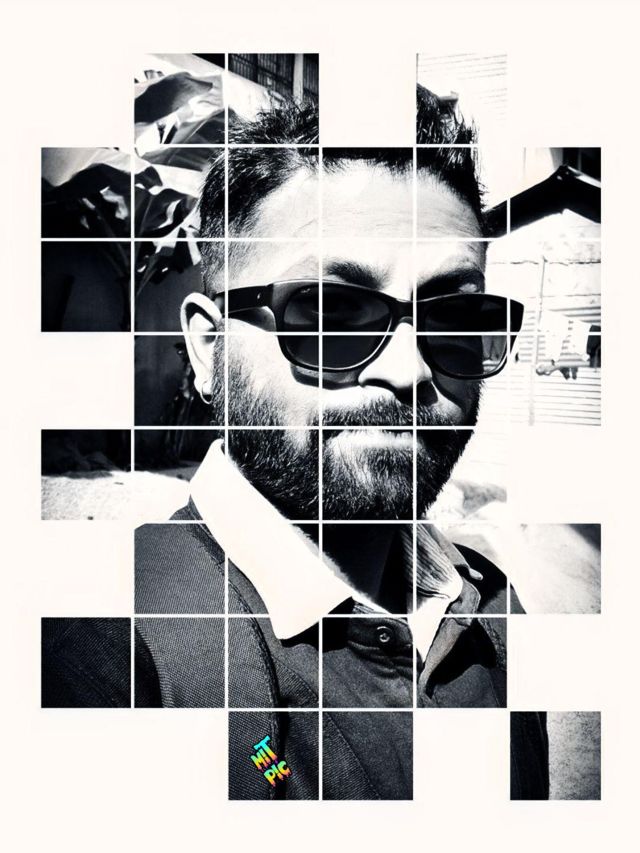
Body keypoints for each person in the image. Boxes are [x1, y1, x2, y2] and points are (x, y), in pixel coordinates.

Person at [42, 87, 549, 801]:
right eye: (328, 310)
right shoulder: (115, 655)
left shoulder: (491, 610)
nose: (409, 370)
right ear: (209, 347)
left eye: (456, 315)